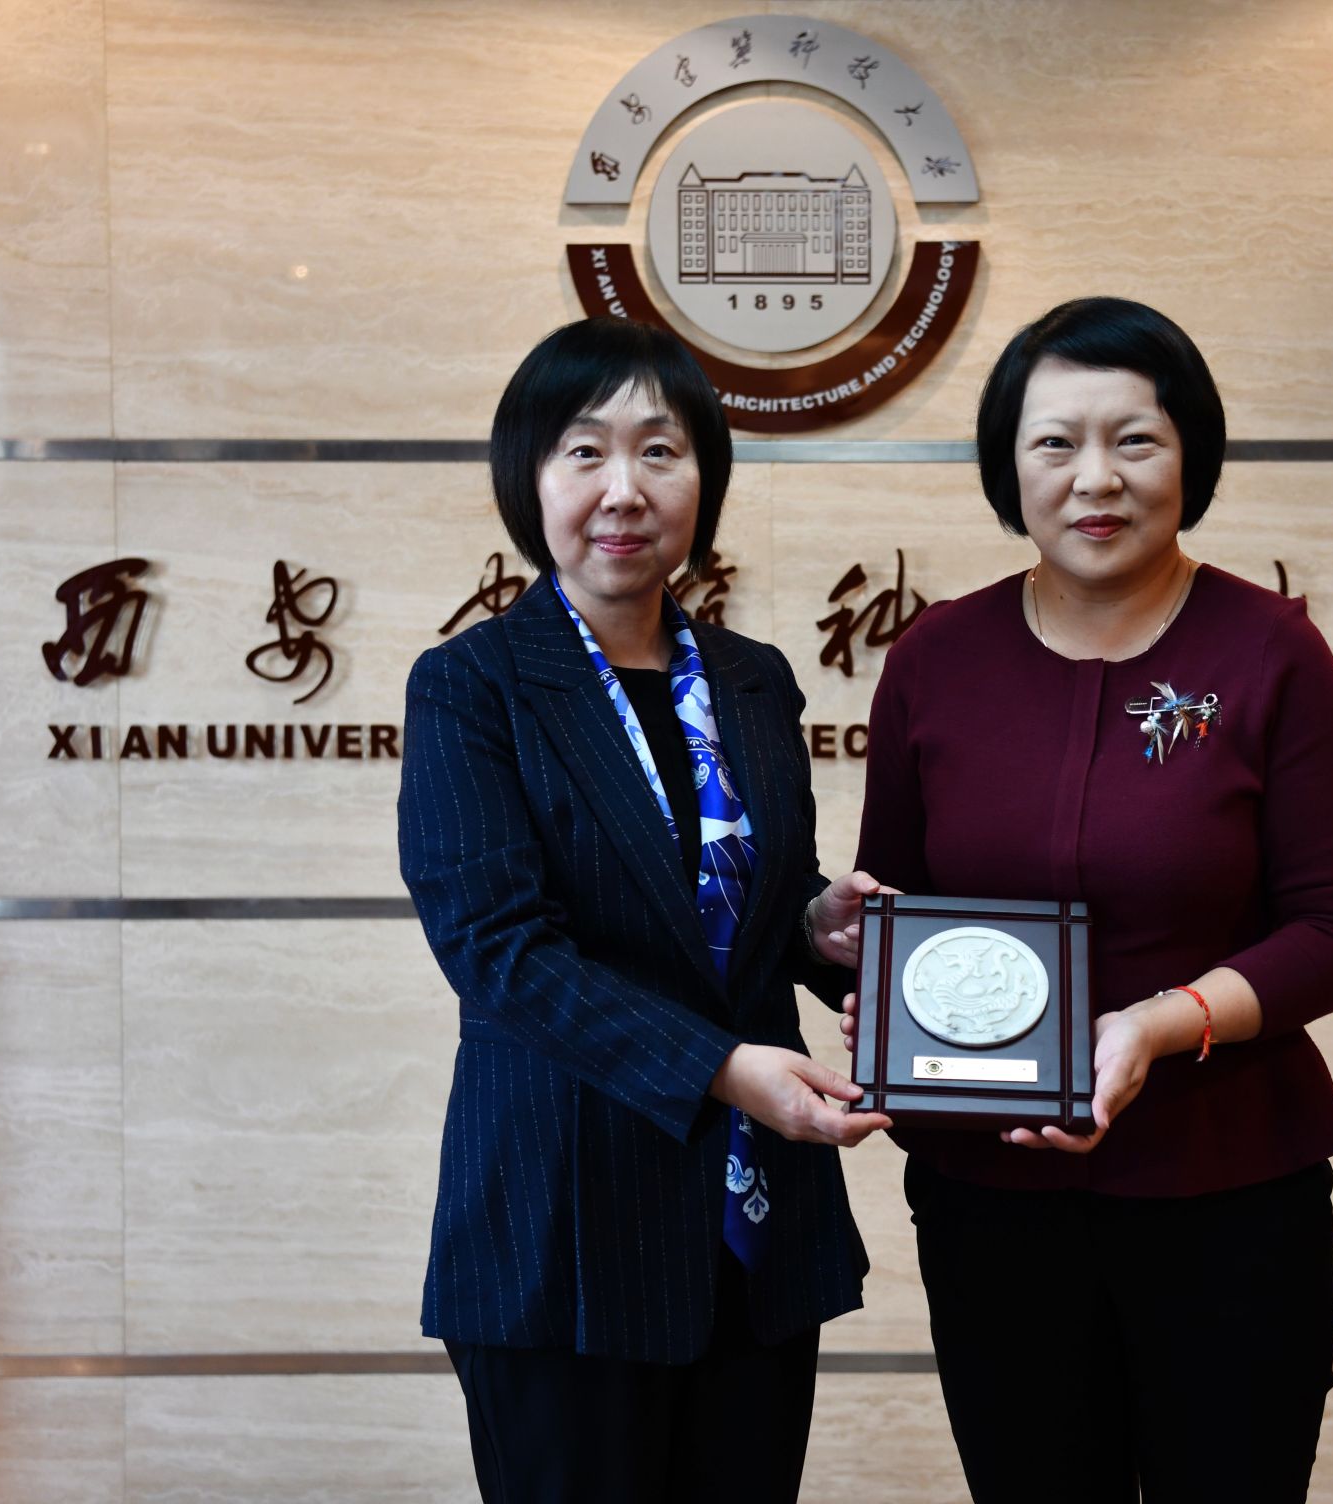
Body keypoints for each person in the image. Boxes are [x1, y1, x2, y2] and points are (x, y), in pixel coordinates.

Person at [844, 297, 1333, 1502]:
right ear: (1008, 466)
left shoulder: (1269, 652)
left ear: (1190, 455)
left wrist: (1157, 1023)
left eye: (1133, 439)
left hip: (1228, 1189)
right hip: (989, 1203)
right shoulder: (935, 659)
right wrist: (853, 960)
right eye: (1054, 442)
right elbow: (893, 912)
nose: (1094, 477)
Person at [400, 317, 891, 1504]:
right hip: (565, 1228)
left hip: (750, 1230)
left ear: (701, 479)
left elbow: (738, 900)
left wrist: (814, 925)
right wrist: (724, 1068)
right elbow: (501, 953)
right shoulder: (471, 685)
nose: (623, 489)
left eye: (659, 452)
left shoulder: (753, 680)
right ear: (529, 478)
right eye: (584, 452)